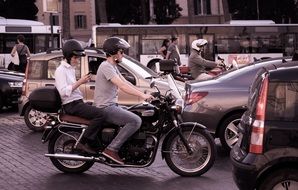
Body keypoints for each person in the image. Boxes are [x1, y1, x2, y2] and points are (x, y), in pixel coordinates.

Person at [94, 37, 153, 165]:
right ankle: (111, 149)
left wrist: (145, 93)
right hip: (105, 107)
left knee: (137, 113)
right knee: (135, 120)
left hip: (111, 105)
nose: (123, 54)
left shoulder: (112, 66)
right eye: (121, 52)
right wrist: (142, 96)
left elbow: (126, 82)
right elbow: (122, 86)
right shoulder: (106, 66)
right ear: (114, 53)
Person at [55, 39, 105, 155]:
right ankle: (83, 142)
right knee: (101, 114)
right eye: (75, 58)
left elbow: (72, 88)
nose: (77, 61)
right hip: (71, 105)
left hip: (77, 102)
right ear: (68, 56)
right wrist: (80, 82)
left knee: (101, 109)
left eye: (77, 58)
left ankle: (98, 146)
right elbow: (63, 92)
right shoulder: (60, 71)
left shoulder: (70, 69)